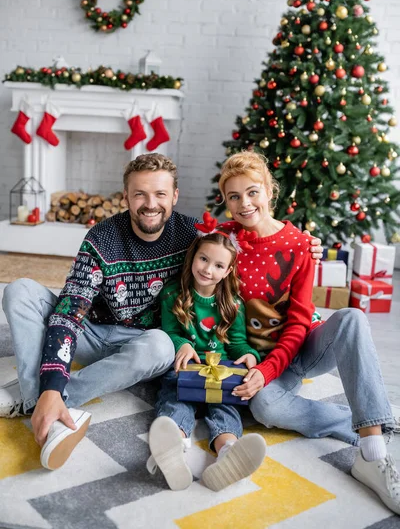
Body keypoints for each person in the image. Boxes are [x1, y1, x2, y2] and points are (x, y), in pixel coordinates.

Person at [0, 153, 322, 471]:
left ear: (175, 197)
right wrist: (53, 383)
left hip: (148, 344)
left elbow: (243, 244)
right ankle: (42, 398)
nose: (150, 203)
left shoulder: (192, 236)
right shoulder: (101, 237)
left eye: (160, 194)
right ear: (125, 196)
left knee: (160, 344)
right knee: (19, 290)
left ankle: (48, 400)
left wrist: (304, 244)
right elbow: (70, 311)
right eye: (140, 193)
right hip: (92, 331)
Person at [216, 150, 399, 516]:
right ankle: (365, 421)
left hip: (303, 348)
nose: (244, 203)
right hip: (256, 356)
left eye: (253, 192)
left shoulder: (299, 244)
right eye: (233, 197)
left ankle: (372, 455)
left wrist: (268, 371)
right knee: (264, 406)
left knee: (350, 318)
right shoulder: (224, 241)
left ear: (270, 191)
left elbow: (300, 321)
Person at [147, 218, 266, 491]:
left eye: (218, 265)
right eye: (203, 259)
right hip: (185, 368)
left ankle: (228, 453)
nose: (208, 269)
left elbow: (236, 343)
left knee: (225, 408)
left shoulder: (233, 303)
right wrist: (182, 344)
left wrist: (249, 355)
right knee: (174, 400)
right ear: (193, 257)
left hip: (219, 373)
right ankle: (172, 448)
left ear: (227, 271)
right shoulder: (172, 294)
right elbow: (169, 332)